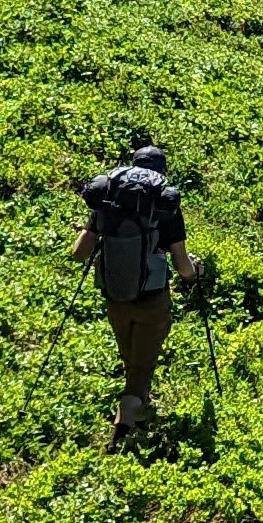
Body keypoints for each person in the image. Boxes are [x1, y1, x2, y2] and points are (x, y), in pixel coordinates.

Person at [70, 138, 189, 443]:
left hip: (115, 296)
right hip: (152, 297)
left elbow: (79, 253)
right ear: (162, 171)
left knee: (131, 357)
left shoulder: (109, 201)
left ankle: (137, 410)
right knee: (143, 366)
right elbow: (183, 267)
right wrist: (197, 271)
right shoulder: (164, 206)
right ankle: (125, 423)